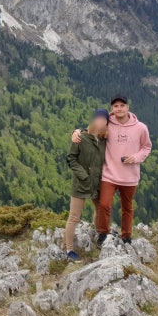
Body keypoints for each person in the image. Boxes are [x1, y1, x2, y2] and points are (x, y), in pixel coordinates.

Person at [73, 94, 152, 245]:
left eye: (122, 105)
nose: (119, 108)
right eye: (116, 106)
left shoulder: (141, 128)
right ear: (112, 109)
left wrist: (135, 158)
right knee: (104, 205)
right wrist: (76, 132)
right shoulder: (107, 123)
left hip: (130, 176)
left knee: (127, 207)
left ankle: (126, 235)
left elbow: (146, 147)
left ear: (128, 107)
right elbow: (89, 130)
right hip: (109, 174)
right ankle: (103, 232)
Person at [64, 108, 108, 261]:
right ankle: (69, 250)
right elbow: (71, 159)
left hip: (98, 182)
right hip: (81, 183)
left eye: (104, 120)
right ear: (94, 120)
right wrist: (83, 175)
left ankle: (99, 234)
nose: (101, 122)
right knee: (74, 217)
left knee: (99, 210)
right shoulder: (81, 138)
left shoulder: (104, 140)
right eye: (99, 119)